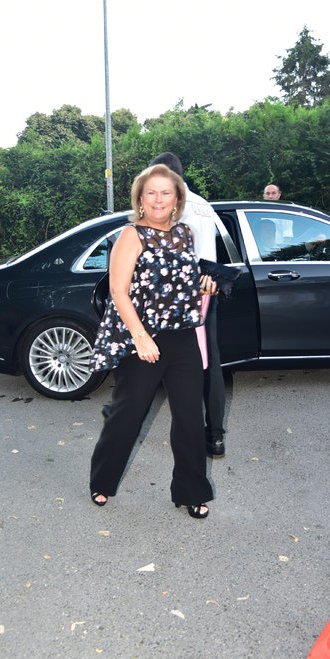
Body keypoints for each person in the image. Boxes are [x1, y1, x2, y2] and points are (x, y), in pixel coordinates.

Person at [89, 164, 216, 519]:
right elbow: (118, 290)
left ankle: (191, 491)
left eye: (166, 193)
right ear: (140, 199)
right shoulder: (131, 235)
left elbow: (180, 282)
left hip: (182, 336)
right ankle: (102, 479)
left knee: (190, 418)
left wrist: (204, 286)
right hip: (141, 337)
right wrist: (141, 338)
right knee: (128, 413)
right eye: (151, 193)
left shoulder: (186, 233)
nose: (158, 200)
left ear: (177, 199)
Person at [150, 152, 226, 458]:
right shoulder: (204, 204)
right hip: (209, 287)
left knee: (171, 359)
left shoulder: (175, 204)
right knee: (211, 362)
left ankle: (126, 409)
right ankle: (215, 436)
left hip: (182, 292)